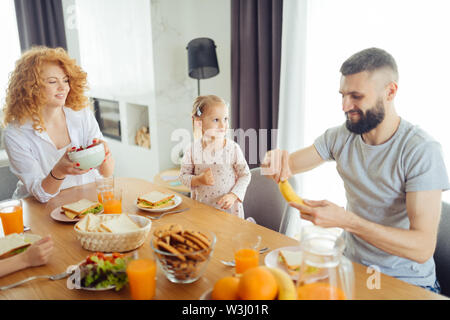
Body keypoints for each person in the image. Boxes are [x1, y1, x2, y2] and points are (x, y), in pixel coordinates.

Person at [262, 48, 450, 293]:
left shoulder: (421, 151)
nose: (344, 106)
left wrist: (347, 221)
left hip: (406, 284)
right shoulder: (342, 136)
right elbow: (283, 166)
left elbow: (422, 247)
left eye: (356, 96)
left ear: (391, 91)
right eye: (342, 95)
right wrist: (273, 159)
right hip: (351, 269)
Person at [2, 46, 114, 203]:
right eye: (52, 81)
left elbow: (106, 173)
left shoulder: (81, 114)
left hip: (85, 201)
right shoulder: (15, 134)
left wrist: (105, 154)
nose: (63, 87)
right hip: (39, 209)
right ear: (30, 88)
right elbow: (41, 195)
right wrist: (59, 171)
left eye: (66, 80)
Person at [179, 95, 251, 218]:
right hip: (202, 211)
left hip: (229, 212)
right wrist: (198, 180)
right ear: (199, 122)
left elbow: (245, 175)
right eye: (216, 120)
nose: (223, 125)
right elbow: (183, 176)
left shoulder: (232, 148)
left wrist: (233, 195)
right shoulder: (192, 150)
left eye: (226, 119)